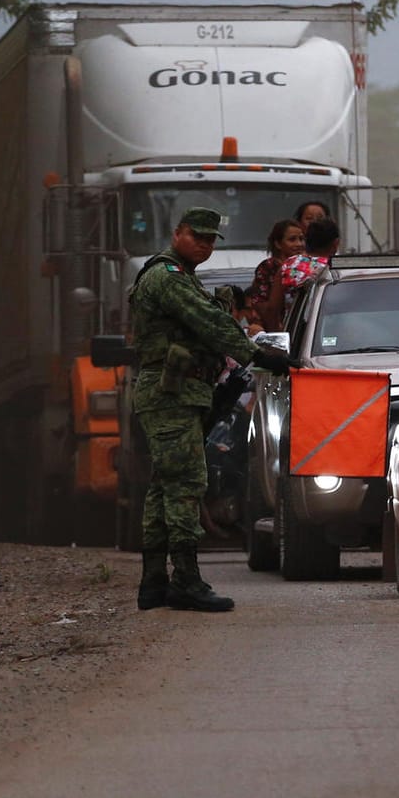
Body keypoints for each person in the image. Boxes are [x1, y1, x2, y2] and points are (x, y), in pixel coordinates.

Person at [129, 207, 290, 612]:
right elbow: (208, 324)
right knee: (185, 483)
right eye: (196, 236)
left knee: (165, 485)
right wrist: (257, 353)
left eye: (210, 239)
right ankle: (184, 580)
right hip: (172, 394)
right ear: (177, 233)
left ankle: (154, 581)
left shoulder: (182, 278)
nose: (204, 244)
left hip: (181, 391)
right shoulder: (167, 278)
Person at [271, 217, 340, 321]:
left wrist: (278, 331)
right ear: (335, 243)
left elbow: (272, 308)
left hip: (296, 333)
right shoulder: (339, 268)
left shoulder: (289, 265)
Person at [250, 219, 304, 330]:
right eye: (292, 239)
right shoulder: (268, 268)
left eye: (301, 239)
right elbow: (261, 304)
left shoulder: (307, 266)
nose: (299, 244)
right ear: (278, 244)